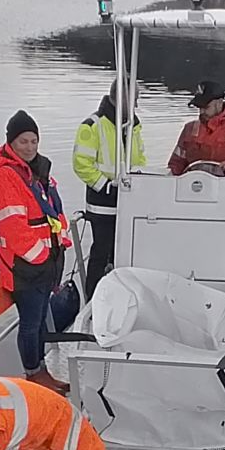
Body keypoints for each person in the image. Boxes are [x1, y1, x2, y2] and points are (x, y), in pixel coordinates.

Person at [0, 110, 77, 392]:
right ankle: (34, 374)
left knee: (39, 320)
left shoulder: (38, 172)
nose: (29, 147)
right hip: (26, 266)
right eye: (23, 141)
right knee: (30, 323)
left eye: (34, 141)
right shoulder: (6, 178)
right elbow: (13, 227)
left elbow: (55, 211)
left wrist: (60, 243)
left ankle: (42, 370)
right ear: (10, 143)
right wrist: (41, 257)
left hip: (45, 262)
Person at [71, 81, 145, 292]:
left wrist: (139, 181)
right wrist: (106, 186)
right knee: (101, 253)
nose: (136, 105)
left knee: (124, 253)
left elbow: (139, 158)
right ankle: (92, 300)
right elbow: (81, 163)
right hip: (102, 205)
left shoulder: (133, 126)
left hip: (128, 202)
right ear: (121, 98)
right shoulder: (92, 125)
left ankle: (119, 295)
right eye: (134, 100)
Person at [167, 81, 225, 177]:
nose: (202, 111)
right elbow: (175, 165)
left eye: (206, 107)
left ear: (219, 103)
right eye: (199, 107)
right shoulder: (189, 129)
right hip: (193, 186)